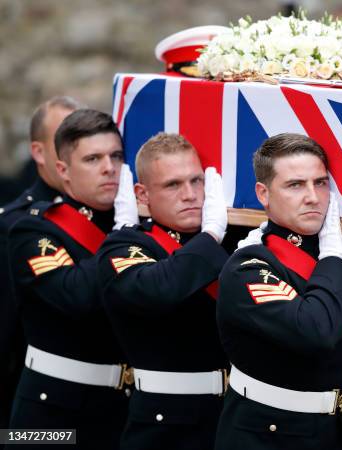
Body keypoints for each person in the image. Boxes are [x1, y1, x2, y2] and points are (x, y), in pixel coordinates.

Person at [215, 133, 342, 450]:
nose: (313, 197)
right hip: (275, 436)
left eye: (320, 183)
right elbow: (315, 330)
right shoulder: (248, 266)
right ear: (263, 194)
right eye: (295, 185)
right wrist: (333, 257)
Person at [96, 132, 230, 450]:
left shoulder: (237, 242)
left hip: (233, 419)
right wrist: (211, 233)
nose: (190, 195)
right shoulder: (124, 246)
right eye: (173, 185)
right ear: (142, 195)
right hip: (166, 423)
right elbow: (160, 290)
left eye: (198, 181)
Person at [7, 109, 130, 449]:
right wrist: (124, 235)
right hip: (51, 414)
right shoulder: (33, 228)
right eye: (93, 159)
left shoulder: (134, 224)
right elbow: (77, 296)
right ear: (63, 170)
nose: (109, 168)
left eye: (116, 156)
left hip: (120, 409)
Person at [0, 96, 81, 434]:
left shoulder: (111, 220)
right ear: (38, 152)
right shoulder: (13, 226)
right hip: (35, 402)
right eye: (62, 143)